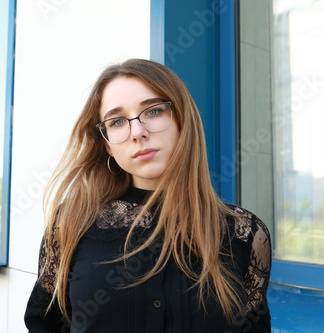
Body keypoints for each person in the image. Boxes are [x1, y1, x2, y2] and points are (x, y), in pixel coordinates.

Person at [24, 59, 272, 333]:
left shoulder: (245, 234)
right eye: (117, 121)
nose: (137, 132)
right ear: (107, 144)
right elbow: (44, 324)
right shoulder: (71, 221)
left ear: (182, 120)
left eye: (153, 111)